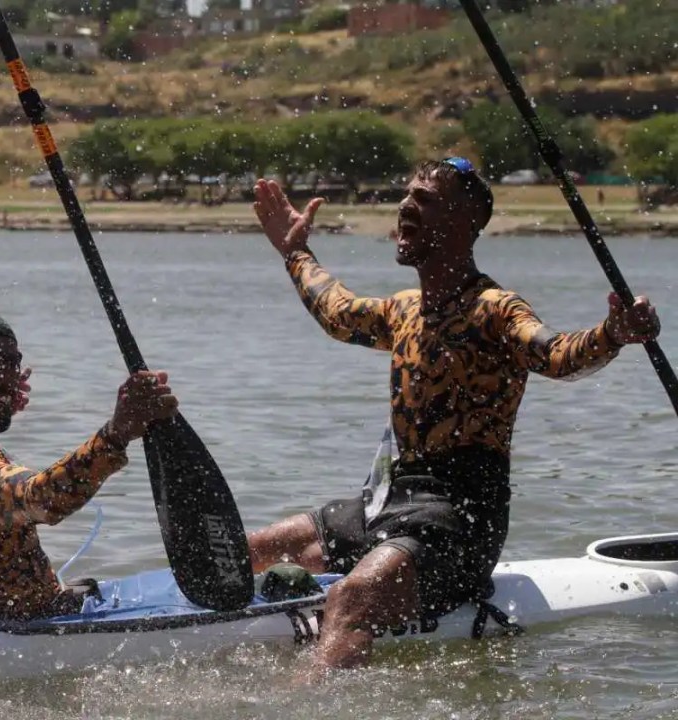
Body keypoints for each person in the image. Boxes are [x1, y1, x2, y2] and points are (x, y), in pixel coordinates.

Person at [247, 158, 661, 675]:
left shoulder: (496, 310)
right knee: (246, 551)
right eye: (406, 195)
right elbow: (336, 313)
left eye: (424, 199)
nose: (405, 205)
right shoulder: (403, 310)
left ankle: (311, 703)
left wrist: (612, 334)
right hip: (389, 502)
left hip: (460, 522)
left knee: (352, 598)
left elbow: (557, 355)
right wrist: (294, 251)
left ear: (465, 221)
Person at [0, 307, 179, 622]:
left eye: (11, 363)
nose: (5, 377)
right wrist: (116, 434)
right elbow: (40, 499)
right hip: (23, 626)